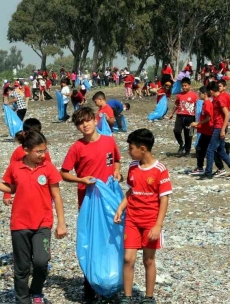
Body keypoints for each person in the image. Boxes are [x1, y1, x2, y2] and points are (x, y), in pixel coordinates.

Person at [0, 131, 67, 304]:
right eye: (39, 151)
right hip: (20, 224)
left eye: (45, 150)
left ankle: (36, 291)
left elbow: (57, 196)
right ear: (26, 150)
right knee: (22, 267)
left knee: (42, 262)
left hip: (43, 223)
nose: (43, 155)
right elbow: (9, 188)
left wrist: (61, 223)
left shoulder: (48, 168)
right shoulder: (15, 167)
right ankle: (22, 299)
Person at [60, 106, 121, 302]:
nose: (84, 125)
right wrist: (81, 180)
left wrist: (117, 172)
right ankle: (90, 287)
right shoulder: (77, 147)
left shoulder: (109, 141)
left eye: (87, 120)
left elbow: (117, 161)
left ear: (96, 120)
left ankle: (112, 282)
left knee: (112, 240)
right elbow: (64, 172)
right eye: (79, 123)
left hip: (110, 201)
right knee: (91, 242)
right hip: (88, 202)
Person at [114, 129, 171, 304]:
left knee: (148, 260)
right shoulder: (133, 167)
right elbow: (132, 190)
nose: (129, 152)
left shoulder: (160, 170)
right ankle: (127, 297)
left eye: (131, 148)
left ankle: (148, 297)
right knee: (128, 258)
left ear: (143, 149)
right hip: (132, 219)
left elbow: (164, 198)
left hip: (150, 222)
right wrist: (121, 208)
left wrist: (158, 225)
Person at [198, 82, 230, 180]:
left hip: (219, 127)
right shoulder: (216, 99)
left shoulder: (220, 99)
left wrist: (222, 129)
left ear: (211, 91)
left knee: (210, 150)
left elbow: (226, 114)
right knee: (221, 151)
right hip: (217, 127)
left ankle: (208, 173)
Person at [2, 118, 52, 206]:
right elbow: (11, 175)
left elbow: (49, 172)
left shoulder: (43, 152)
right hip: (23, 194)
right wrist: (7, 194)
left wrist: (52, 193)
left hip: (41, 192)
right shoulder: (18, 152)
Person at [169, 77, 198, 156]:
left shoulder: (194, 95)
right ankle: (181, 144)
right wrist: (171, 113)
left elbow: (197, 107)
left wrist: (198, 119)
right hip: (180, 116)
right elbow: (176, 104)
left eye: (185, 85)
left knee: (189, 135)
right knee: (176, 131)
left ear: (189, 85)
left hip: (190, 117)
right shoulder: (179, 95)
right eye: (183, 86)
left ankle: (187, 151)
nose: (184, 87)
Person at [189, 86, 214, 176]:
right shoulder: (204, 103)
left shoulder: (207, 104)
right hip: (204, 130)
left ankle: (202, 168)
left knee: (202, 149)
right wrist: (197, 125)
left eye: (200, 93)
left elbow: (208, 118)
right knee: (200, 149)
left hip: (208, 130)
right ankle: (200, 167)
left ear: (205, 94)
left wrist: (197, 123)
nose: (199, 95)